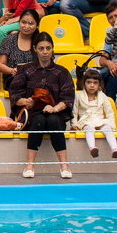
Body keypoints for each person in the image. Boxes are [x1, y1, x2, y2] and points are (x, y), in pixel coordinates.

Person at [10, 33, 75, 179]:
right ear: (35, 49)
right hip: (33, 114)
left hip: (56, 113)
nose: (45, 51)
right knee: (39, 120)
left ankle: (64, 166)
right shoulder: (25, 70)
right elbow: (14, 94)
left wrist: (54, 108)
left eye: (48, 48)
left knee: (52, 120)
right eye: (41, 48)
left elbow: (68, 98)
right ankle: (30, 165)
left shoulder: (62, 72)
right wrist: (26, 101)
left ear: (53, 49)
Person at [71, 67, 117, 159]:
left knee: (107, 129)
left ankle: (114, 149)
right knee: (89, 130)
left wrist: (112, 125)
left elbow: (109, 112)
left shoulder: (103, 96)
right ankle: (92, 148)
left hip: (99, 120)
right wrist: (74, 124)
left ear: (99, 84)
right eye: (89, 82)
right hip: (86, 120)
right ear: (84, 83)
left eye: (95, 83)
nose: (92, 85)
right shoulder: (78, 95)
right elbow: (74, 112)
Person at [0, 9, 40, 88]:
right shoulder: (9, 39)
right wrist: (12, 71)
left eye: (31, 23)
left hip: (36, 78)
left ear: (37, 25)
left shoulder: (40, 41)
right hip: (13, 78)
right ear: (19, 23)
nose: (26, 26)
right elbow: (1, 65)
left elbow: (48, 63)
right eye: (23, 22)